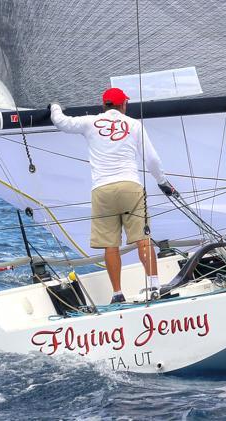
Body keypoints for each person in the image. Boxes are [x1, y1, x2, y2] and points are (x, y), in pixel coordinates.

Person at [50, 88, 176, 304]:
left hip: (103, 190)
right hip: (130, 186)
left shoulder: (90, 122)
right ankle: (154, 286)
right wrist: (163, 183)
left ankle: (117, 293)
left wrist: (54, 106)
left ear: (104, 105)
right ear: (123, 105)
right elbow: (152, 160)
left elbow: (61, 122)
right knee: (142, 239)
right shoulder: (134, 124)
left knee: (111, 244)